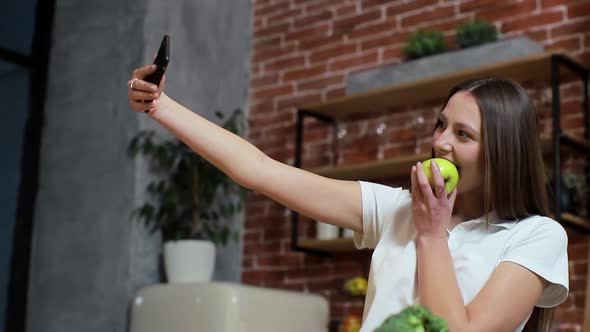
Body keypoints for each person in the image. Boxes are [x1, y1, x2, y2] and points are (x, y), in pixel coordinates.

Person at [127, 65, 569, 332]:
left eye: (463, 134)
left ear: (502, 152)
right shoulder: (396, 209)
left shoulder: (535, 236)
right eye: (440, 125)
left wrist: (431, 234)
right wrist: (160, 106)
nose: (440, 142)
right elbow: (259, 171)